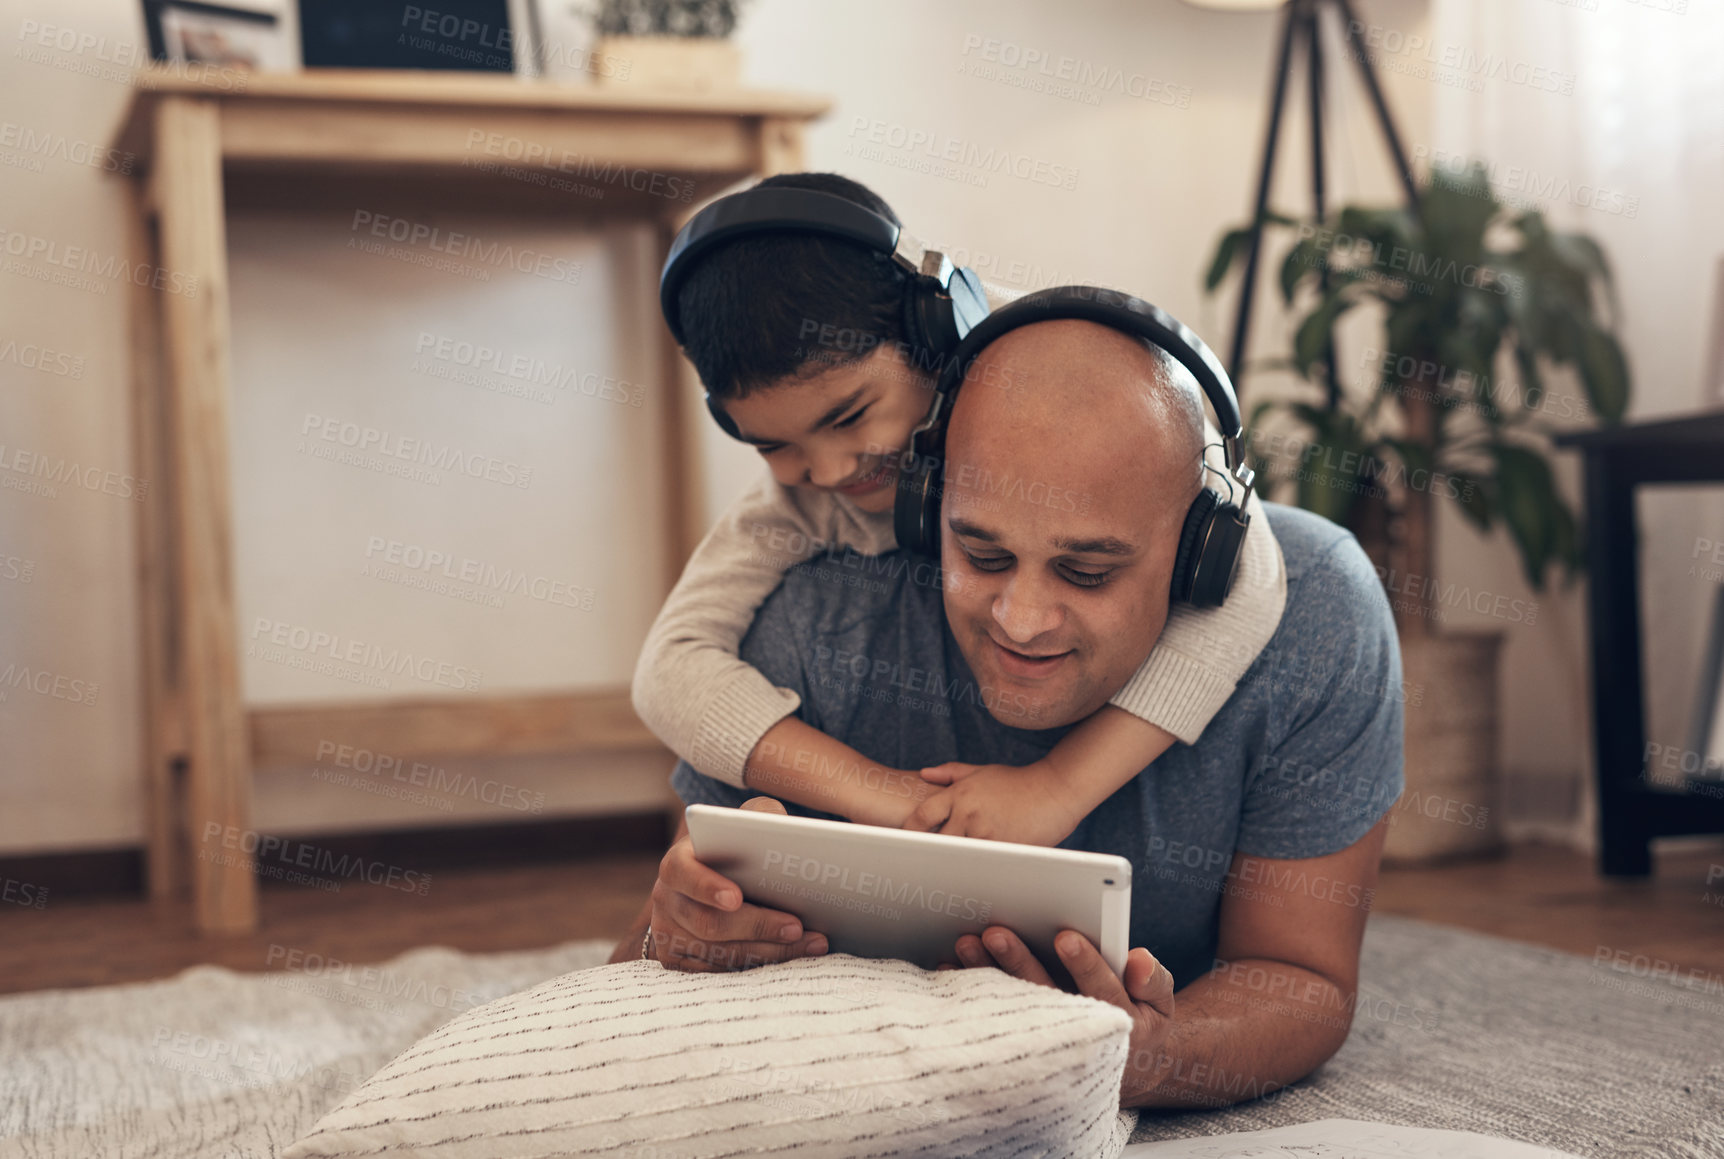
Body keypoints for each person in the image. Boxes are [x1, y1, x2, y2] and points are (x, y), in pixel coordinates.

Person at [612, 289, 1404, 1111]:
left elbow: (1299, 976)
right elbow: (639, 954)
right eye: (981, 554)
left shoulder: (1317, 609)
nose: (1022, 621)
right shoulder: (813, 604)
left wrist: (1154, 1058)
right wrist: (676, 943)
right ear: (927, 507)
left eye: (1087, 572)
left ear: (1200, 554)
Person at [632, 172, 1286, 846]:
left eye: (851, 415)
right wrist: (888, 796)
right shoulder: (793, 500)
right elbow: (668, 669)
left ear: (932, 326)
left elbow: (1249, 571)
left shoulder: (1073, 368)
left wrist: (1062, 785)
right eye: (774, 443)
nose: (827, 472)